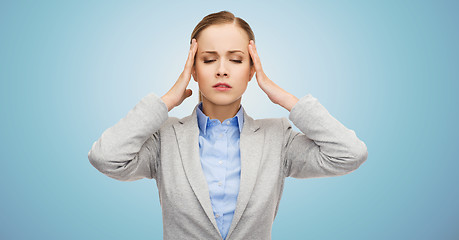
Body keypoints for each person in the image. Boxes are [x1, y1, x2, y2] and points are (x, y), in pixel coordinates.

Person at [88, 10, 368, 240]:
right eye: (209, 60)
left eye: (236, 60)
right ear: (193, 70)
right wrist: (165, 102)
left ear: (251, 70)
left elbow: (349, 154)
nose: (222, 69)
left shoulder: (277, 138)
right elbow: (106, 158)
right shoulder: (166, 138)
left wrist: (283, 97)